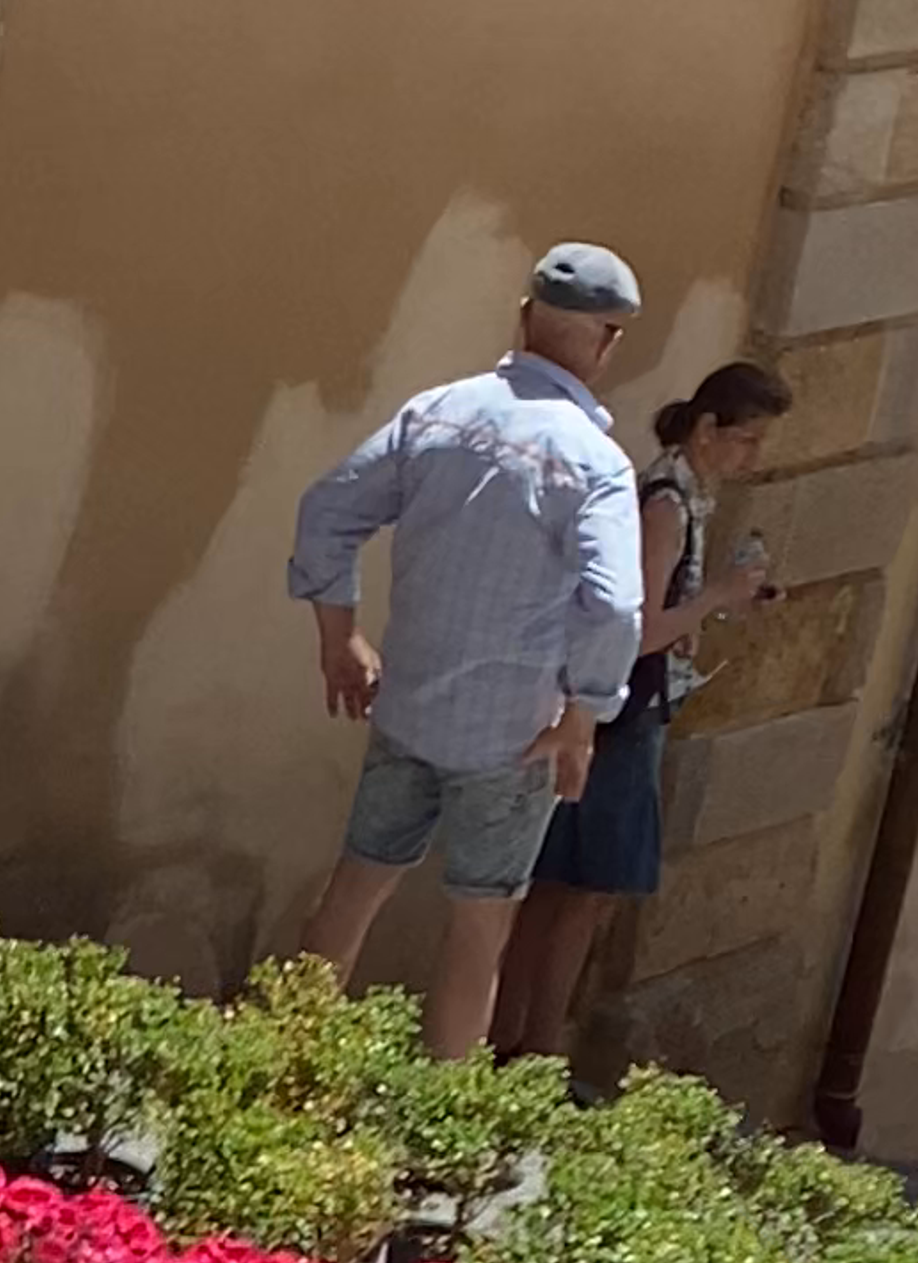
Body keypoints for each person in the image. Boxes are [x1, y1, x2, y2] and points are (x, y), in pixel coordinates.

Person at [285, 249, 651, 1055]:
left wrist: (337, 636)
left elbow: (327, 510)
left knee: (354, 887)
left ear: (524, 314)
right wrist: (585, 716)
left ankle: (280, 1070)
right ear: (610, 340)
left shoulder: (439, 413)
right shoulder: (596, 466)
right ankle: (440, 1137)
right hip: (514, 733)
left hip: (409, 703)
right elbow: (617, 604)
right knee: (479, 932)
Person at [490, 358, 791, 1067]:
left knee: (561, 887)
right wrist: (715, 596)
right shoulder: (665, 504)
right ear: (708, 428)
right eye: (746, 439)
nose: (753, 456)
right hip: (622, 718)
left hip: (621, 707)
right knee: (582, 890)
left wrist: (708, 607)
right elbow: (635, 629)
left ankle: (514, 1040)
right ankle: (533, 1045)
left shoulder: (681, 496)